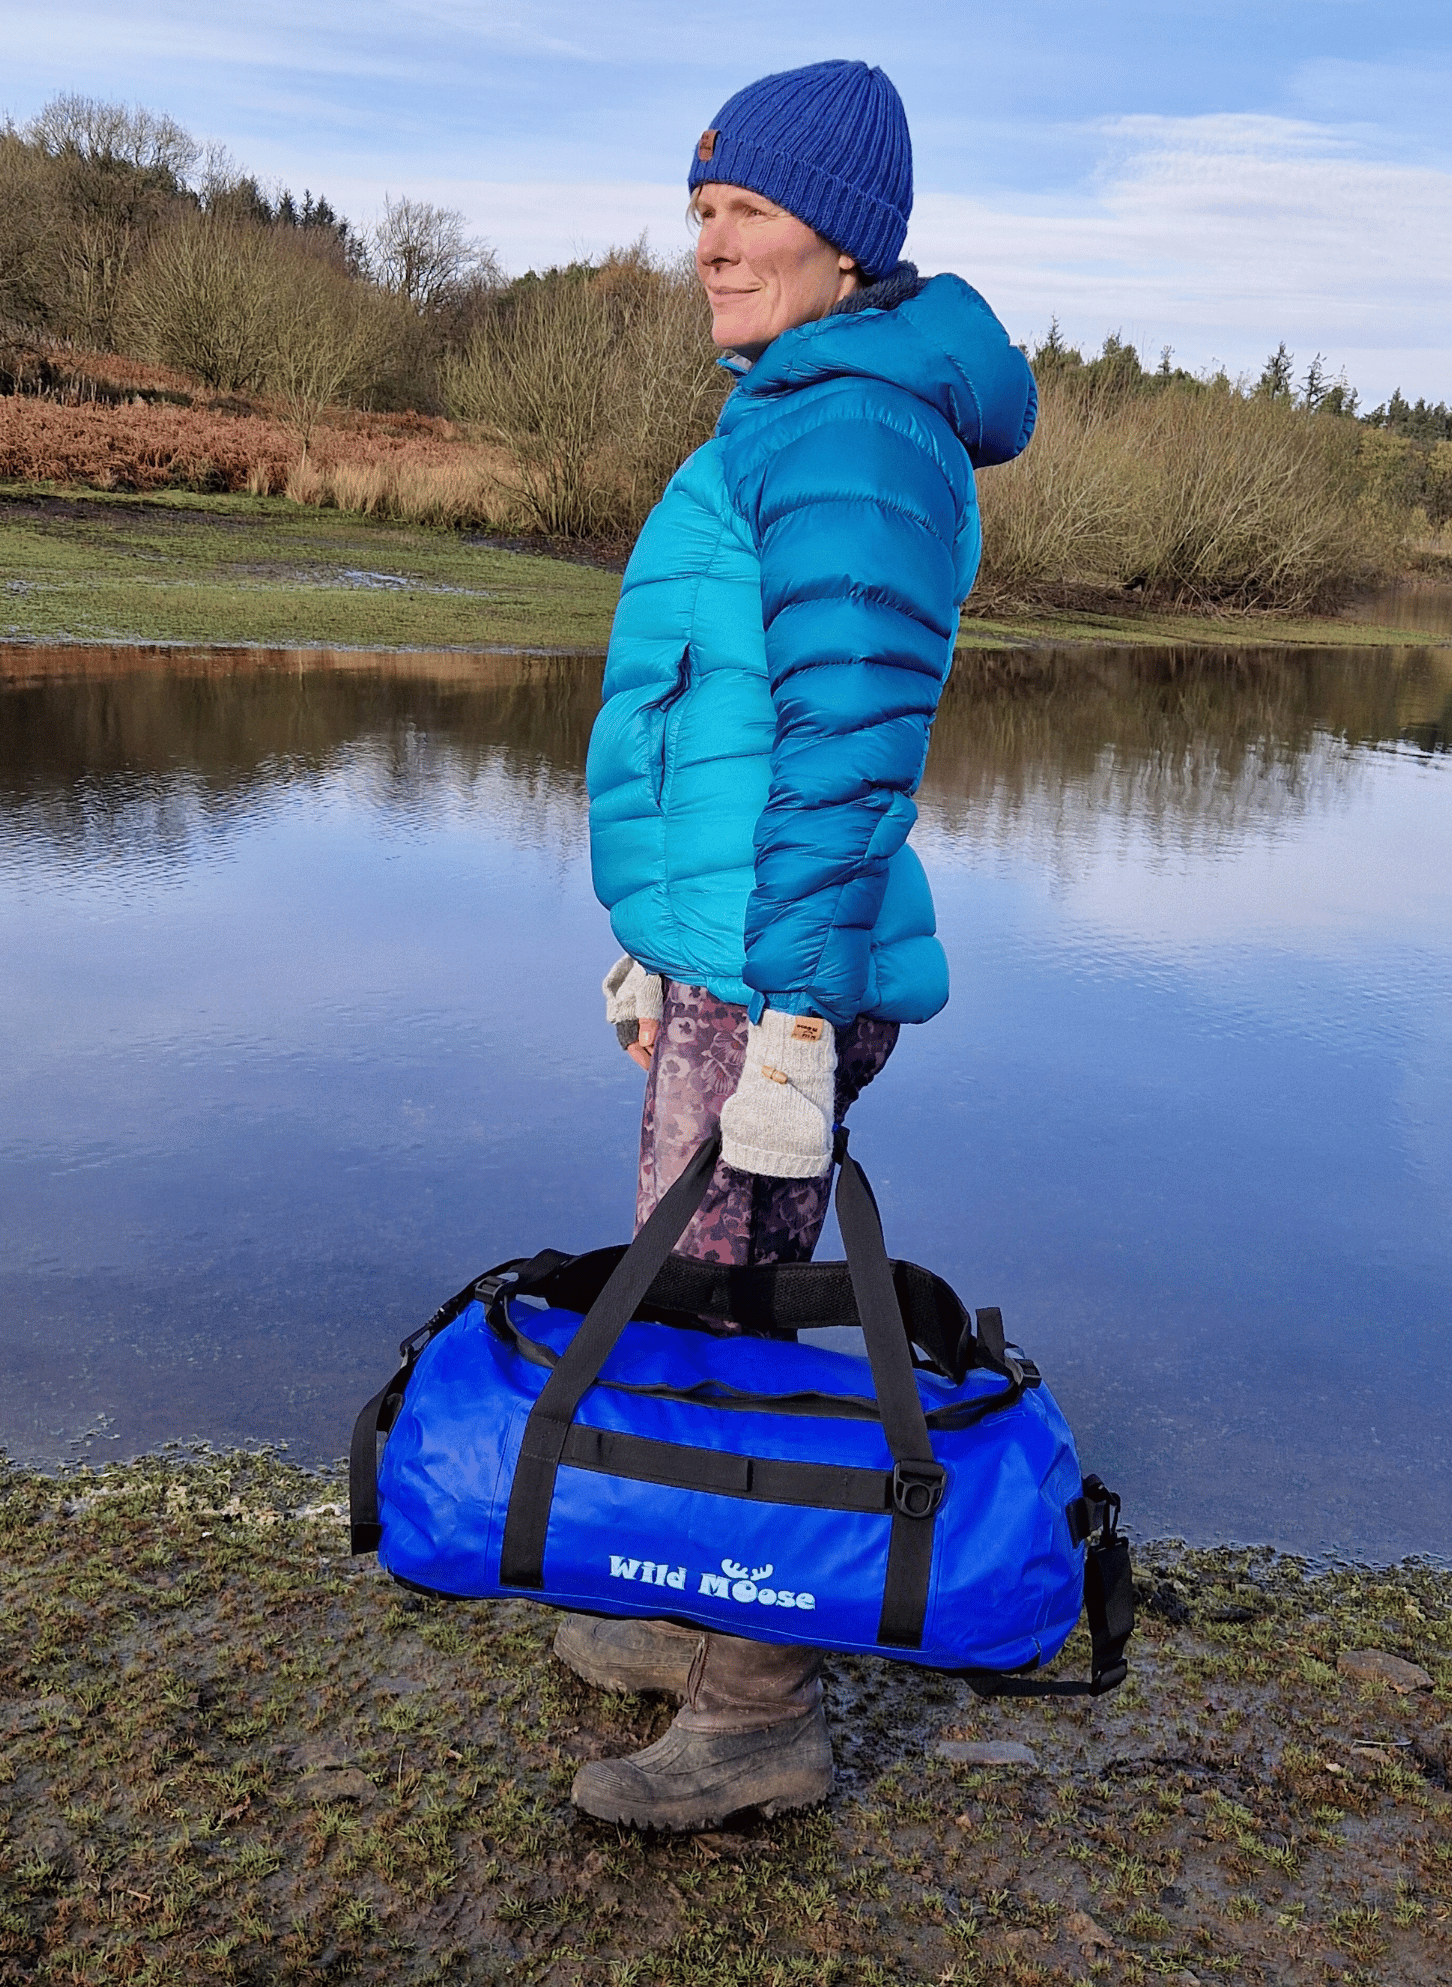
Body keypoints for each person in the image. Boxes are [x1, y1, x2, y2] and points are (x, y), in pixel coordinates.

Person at [559, 58, 1037, 1830]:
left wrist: (787, 1023)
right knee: (678, 1293)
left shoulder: (848, 426)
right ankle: (693, 1600)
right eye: (698, 209)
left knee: (736, 1315)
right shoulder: (789, 407)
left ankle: (755, 1711)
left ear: (847, 240)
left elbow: (847, 749)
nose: (709, 243)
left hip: (784, 981)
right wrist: (654, 945)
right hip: (731, 959)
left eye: (747, 209)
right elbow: (715, 719)